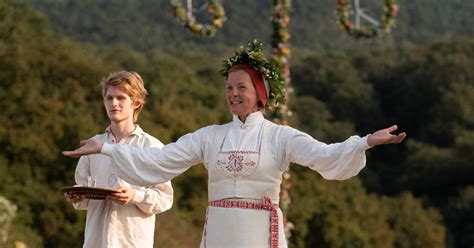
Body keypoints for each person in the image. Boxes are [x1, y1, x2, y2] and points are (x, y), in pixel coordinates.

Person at [63, 41, 405, 248]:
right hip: (220, 232)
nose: (233, 94)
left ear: (260, 94)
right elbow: (160, 161)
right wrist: (106, 148)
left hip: (260, 234)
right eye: (229, 87)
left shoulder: (279, 136)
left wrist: (364, 143)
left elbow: (324, 155)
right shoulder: (210, 136)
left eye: (241, 87)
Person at [64, 71, 173, 248]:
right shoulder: (93, 144)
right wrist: (78, 196)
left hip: (132, 243)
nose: (114, 103)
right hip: (95, 242)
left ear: (136, 103)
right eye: (109, 98)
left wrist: (134, 196)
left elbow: (164, 199)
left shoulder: (152, 146)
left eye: (121, 98)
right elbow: (83, 199)